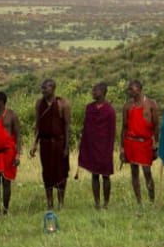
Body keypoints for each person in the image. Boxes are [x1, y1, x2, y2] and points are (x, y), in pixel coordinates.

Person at [76, 83, 117, 209]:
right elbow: (86, 128)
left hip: (104, 147)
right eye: (92, 90)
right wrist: (84, 145)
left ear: (103, 92)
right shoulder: (89, 108)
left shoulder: (110, 110)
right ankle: (97, 202)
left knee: (105, 175)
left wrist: (109, 149)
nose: (93, 92)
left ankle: (106, 203)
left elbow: (112, 131)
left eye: (96, 90)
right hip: (92, 146)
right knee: (94, 174)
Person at [33, 78, 71, 210]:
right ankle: (50, 203)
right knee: (47, 173)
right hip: (45, 143)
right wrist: (34, 144)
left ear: (53, 88)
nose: (43, 90)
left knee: (61, 173)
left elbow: (67, 126)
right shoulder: (39, 104)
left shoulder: (62, 104)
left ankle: (61, 202)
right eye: (42, 88)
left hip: (59, 143)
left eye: (46, 88)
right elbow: (38, 125)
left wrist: (67, 147)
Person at [121, 80, 160, 205]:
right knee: (134, 172)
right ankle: (139, 202)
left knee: (147, 171)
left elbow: (156, 126)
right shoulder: (127, 106)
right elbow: (124, 127)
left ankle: (152, 201)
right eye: (129, 89)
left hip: (145, 143)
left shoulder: (151, 104)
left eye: (132, 89)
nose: (130, 91)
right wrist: (122, 148)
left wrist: (156, 144)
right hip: (131, 142)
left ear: (139, 89)